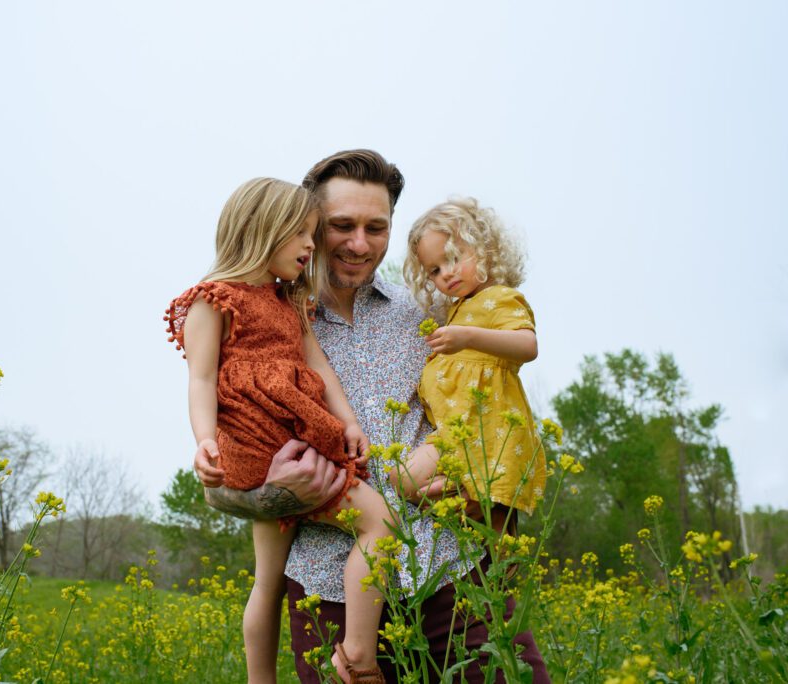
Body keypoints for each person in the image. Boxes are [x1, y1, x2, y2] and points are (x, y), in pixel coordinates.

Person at [194, 150, 551, 683]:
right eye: (341, 226)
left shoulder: (431, 315)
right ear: (308, 227)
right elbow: (221, 469)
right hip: (331, 592)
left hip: (455, 574)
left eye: (376, 227)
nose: (360, 243)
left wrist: (473, 488)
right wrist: (274, 490)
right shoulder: (263, 322)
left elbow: (494, 415)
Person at [166, 177, 394, 684]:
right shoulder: (213, 301)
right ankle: (357, 656)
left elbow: (319, 367)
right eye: (303, 235)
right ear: (263, 230)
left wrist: (349, 422)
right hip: (256, 447)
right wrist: (204, 440)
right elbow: (201, 378)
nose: (311, 247)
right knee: (380, 524)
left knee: (267, 581)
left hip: (287, 440)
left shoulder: (290, 299)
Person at [392, 197, 547, 535]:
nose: (445, 274)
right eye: (434, 270)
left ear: (486, 249)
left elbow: (527, 346)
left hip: (486, 430)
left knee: (494, 543)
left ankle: (472, 502)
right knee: (400, 479)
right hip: (457, 431)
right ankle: (464, 502)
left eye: (453, 259)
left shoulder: (500, 298)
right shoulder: (458, 309)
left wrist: (468, 337)